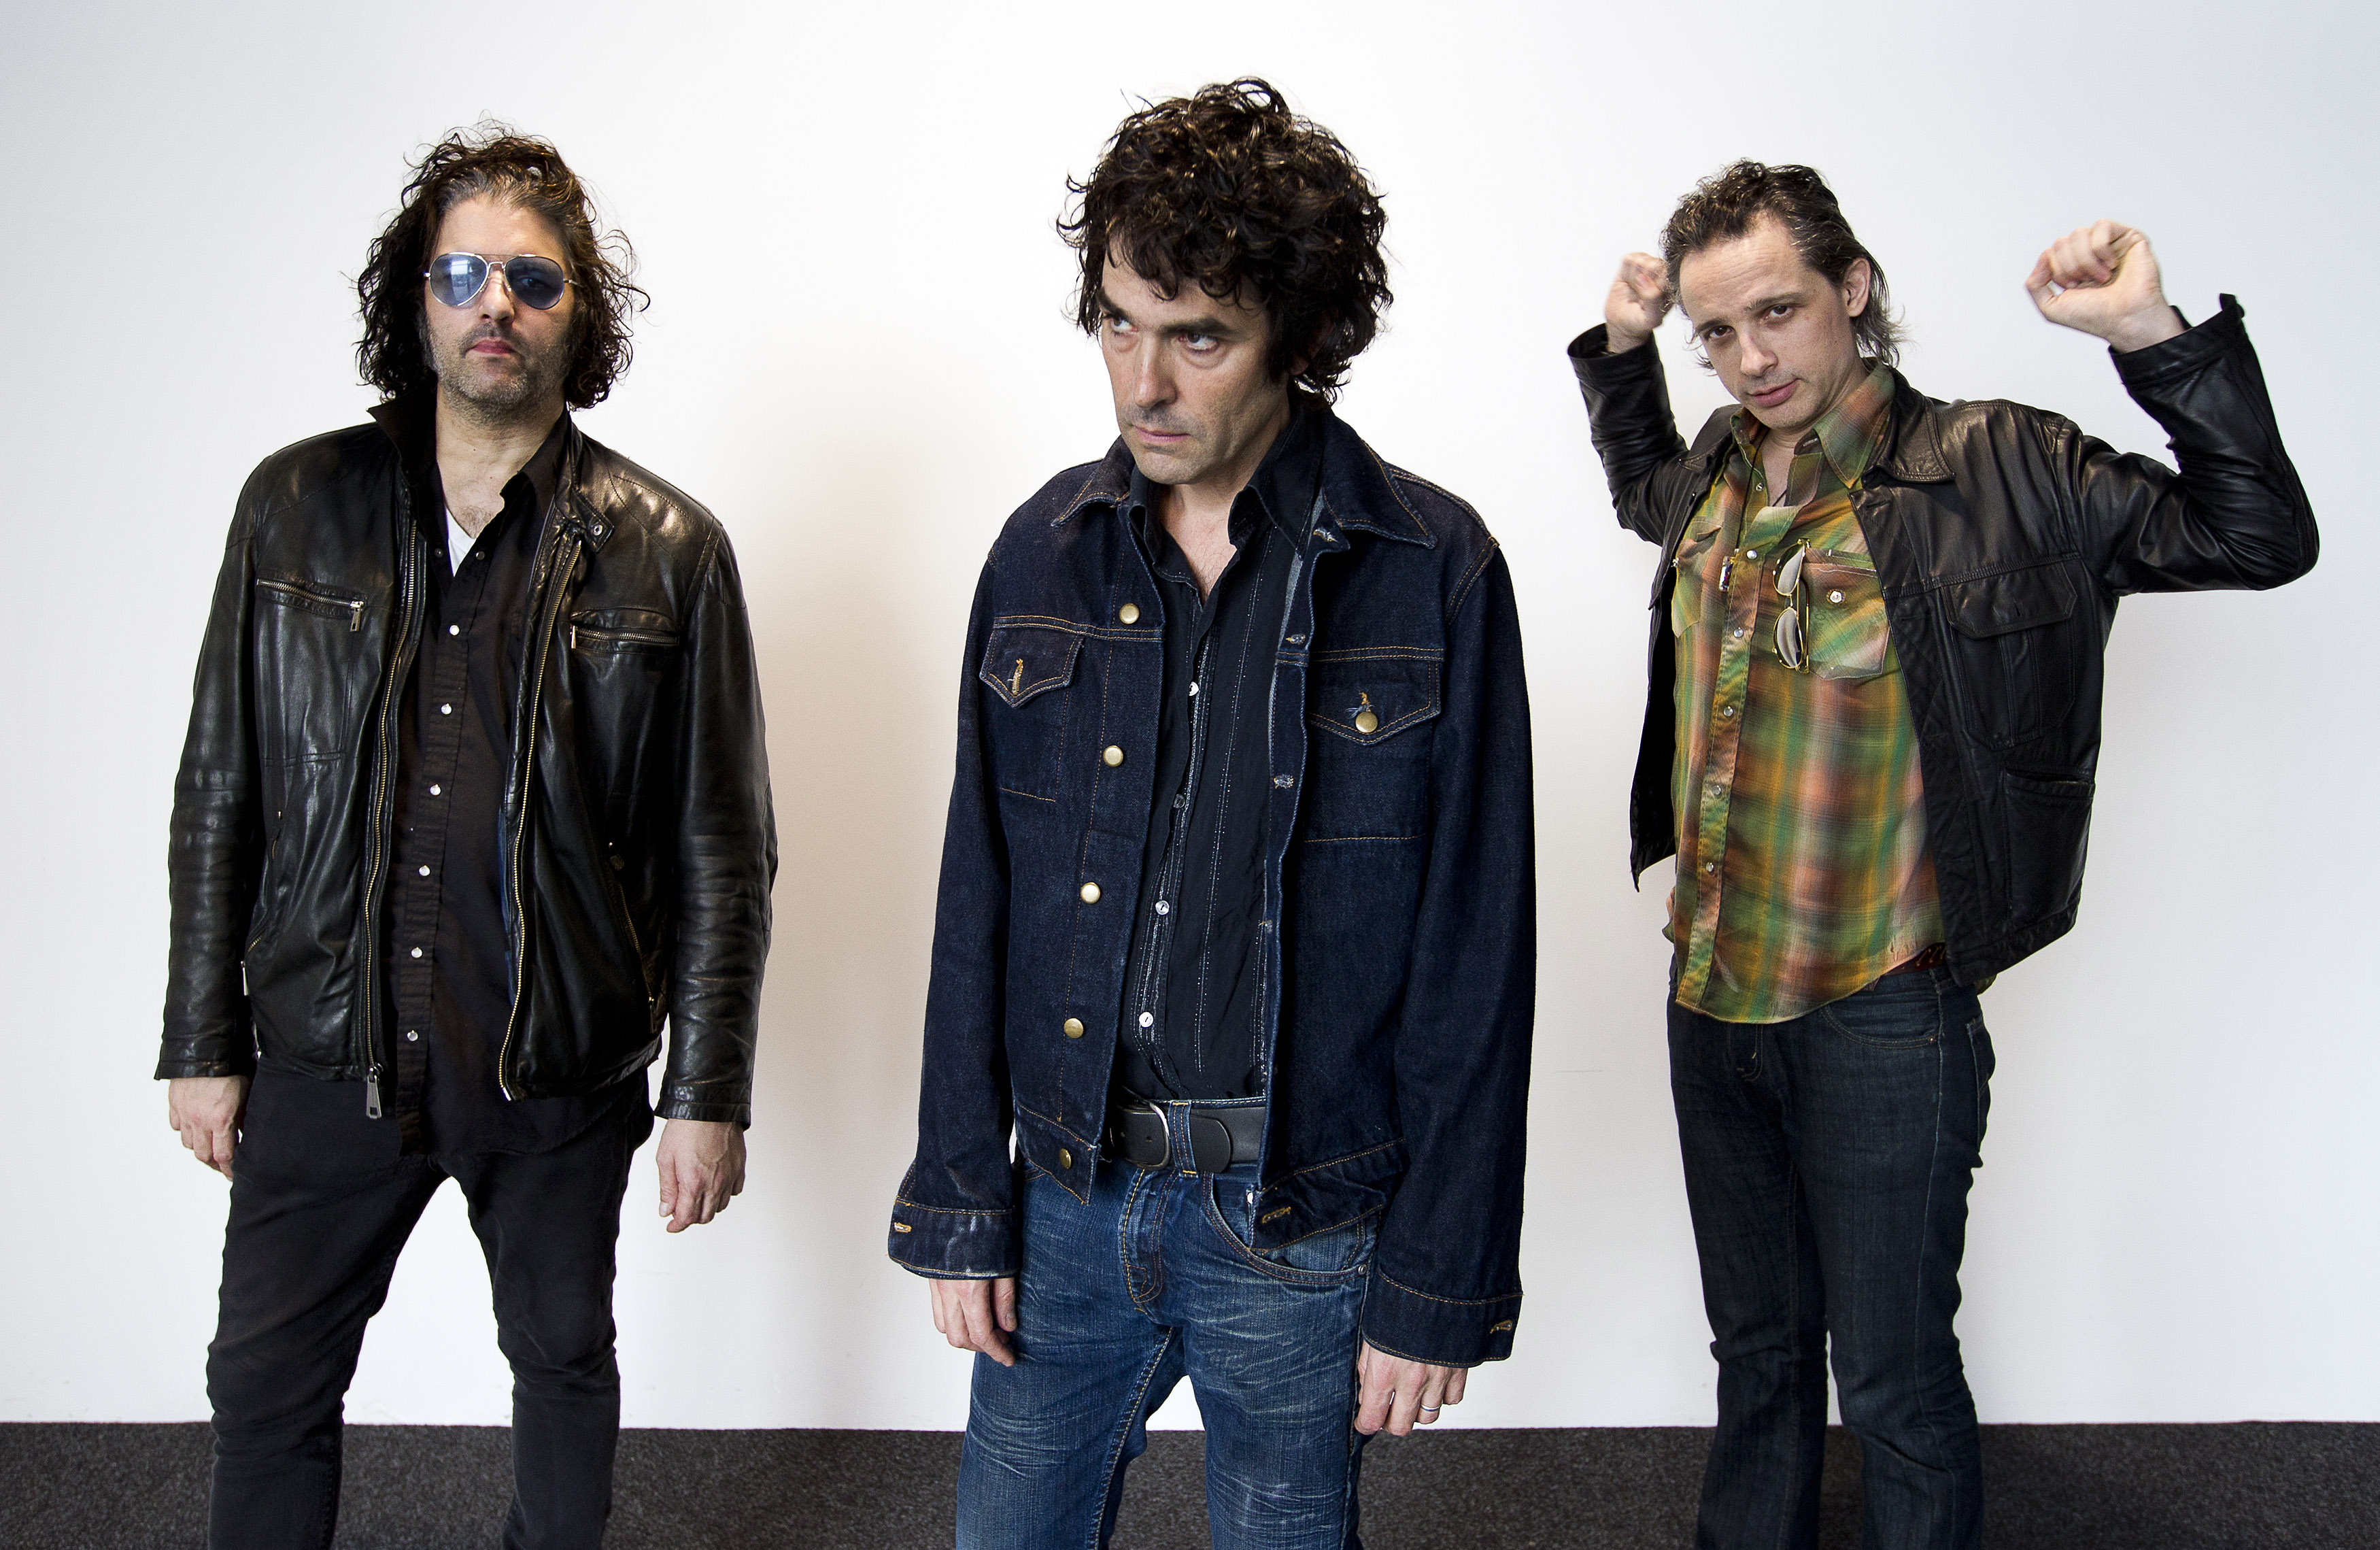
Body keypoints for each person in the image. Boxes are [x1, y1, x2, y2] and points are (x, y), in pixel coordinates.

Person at [1567, 161, 2316, 1550]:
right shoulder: (1714, 480)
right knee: (1757, 1364)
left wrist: (2151, 337)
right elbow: (1635, 490)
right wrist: (1622, 356)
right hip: (1711, 1000)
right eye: (1716, 334)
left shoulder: (2000, 465)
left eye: (1777, 312)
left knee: (1897, 1381)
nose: (1749, 357)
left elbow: (2257, 535)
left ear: (1853, 290)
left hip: (1882, 1008)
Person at [888, 79, 1537, 1549]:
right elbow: (975, 895)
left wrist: (1440, 1276)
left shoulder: (1430, 567)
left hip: (1299, 1218)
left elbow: (1476, 952)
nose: (1144, 384)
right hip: (1067, 1194)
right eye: (1119, 323)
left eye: (1199, 336)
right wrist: (955, 1196)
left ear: (1302, 344)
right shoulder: (1039, 550)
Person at [156, 125, 777, 1549]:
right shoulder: (293, 508)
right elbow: (220, 785)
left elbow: (721, 847)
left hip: (555, 1062)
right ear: (415, 299)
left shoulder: (668, 547)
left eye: (533, 279)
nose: (495, 302)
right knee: (264, 1385)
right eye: (461, 271)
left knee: (560, 1364)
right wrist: (202, 1038)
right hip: (323, 1045)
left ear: (577, 315)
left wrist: (708, 1088)